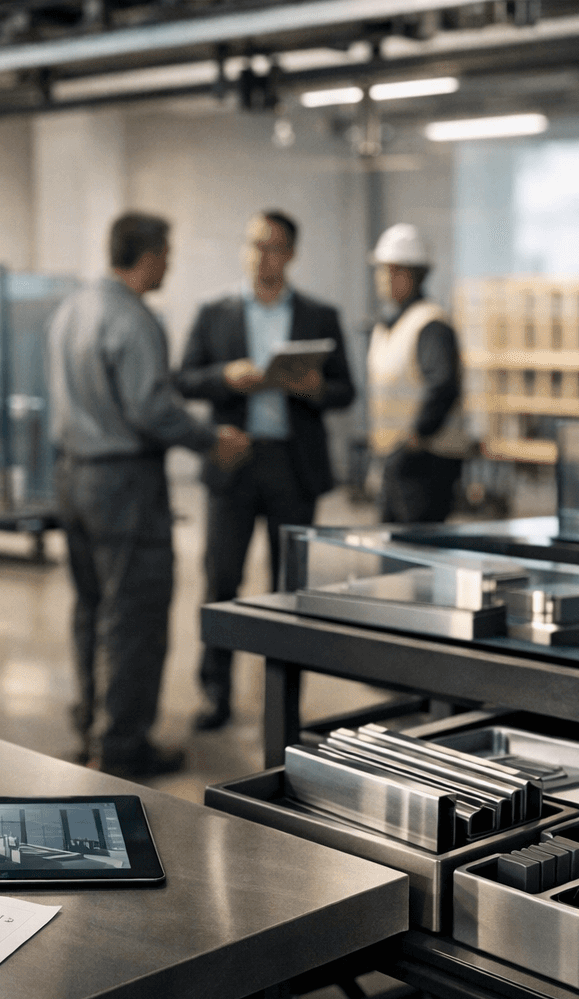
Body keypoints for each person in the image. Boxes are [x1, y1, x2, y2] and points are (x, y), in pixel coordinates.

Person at [49, 212, 250, 777]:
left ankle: (92, 728)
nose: (171, 263)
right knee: (134, 615)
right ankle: (122, 745)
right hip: (124, 483)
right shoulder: (135, 320)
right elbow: (150, 408)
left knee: (92, 607)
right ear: (149, 255)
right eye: (168, 252)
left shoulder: (73, 309)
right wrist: (211, 440)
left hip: (73, 476)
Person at [175, 211, 355, 731]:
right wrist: (225, 377)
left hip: (292, 466)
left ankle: (286, 700)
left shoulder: (320, 316)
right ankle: (215, 695)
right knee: (221, 579)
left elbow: (346, 390)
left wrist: (311, 388)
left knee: (290, 588)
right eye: (254, 244)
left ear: (292, 254)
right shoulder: (215, 312)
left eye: (274, 247)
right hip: (235, 461)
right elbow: (185, 380)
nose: (262, 256)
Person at [367, 223, 471, 524]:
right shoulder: (388, 326)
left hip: (425, 462)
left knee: (417, 556)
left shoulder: (430, 325)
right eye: (382, 269)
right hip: (394, 457)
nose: (383, 278)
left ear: (411, 274)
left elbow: (443, 385)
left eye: (392, 270)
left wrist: (415, 435)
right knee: (392, 552)